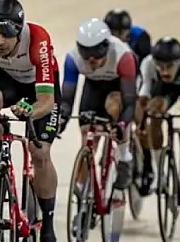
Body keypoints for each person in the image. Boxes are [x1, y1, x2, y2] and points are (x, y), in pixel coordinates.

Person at [0, 0, 61, 242]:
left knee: (40, 151)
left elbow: (46, 101)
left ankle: (47, 228)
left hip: (39, 89)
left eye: (6, 34)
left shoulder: (38, 39)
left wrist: (31, 112)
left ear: (19, 30)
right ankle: (1, 159)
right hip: (8, 84)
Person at [59, 18, 137, 190]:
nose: (92, 61)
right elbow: (66, 100)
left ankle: (124, 156)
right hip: (93, 89)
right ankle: (81, 190)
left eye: (97, 56)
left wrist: (122, 125)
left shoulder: (123, 56)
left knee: (115, 105)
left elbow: (130, 102)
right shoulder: (73, 58)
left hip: (117, 87)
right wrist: (61, 121)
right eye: (87, 56)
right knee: (88, 136)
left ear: (106, 48)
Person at [135, 37, 180, 214]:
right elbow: (142, 100)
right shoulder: (148, 64)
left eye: (169, 66)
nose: (164, 70)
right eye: (160, 66)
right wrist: (140, 125)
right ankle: (160, 174)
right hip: (165, 90)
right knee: (154, 113)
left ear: (177, 62)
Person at [104, 8, 154, 190]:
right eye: (113, 33)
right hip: (117, 76)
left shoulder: (141, 38)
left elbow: (148, 71)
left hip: (139, 77)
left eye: (120, 33)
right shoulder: (104, 40)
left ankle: (148, 164)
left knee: (140, 117)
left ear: (128, 31)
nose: (117, 37)